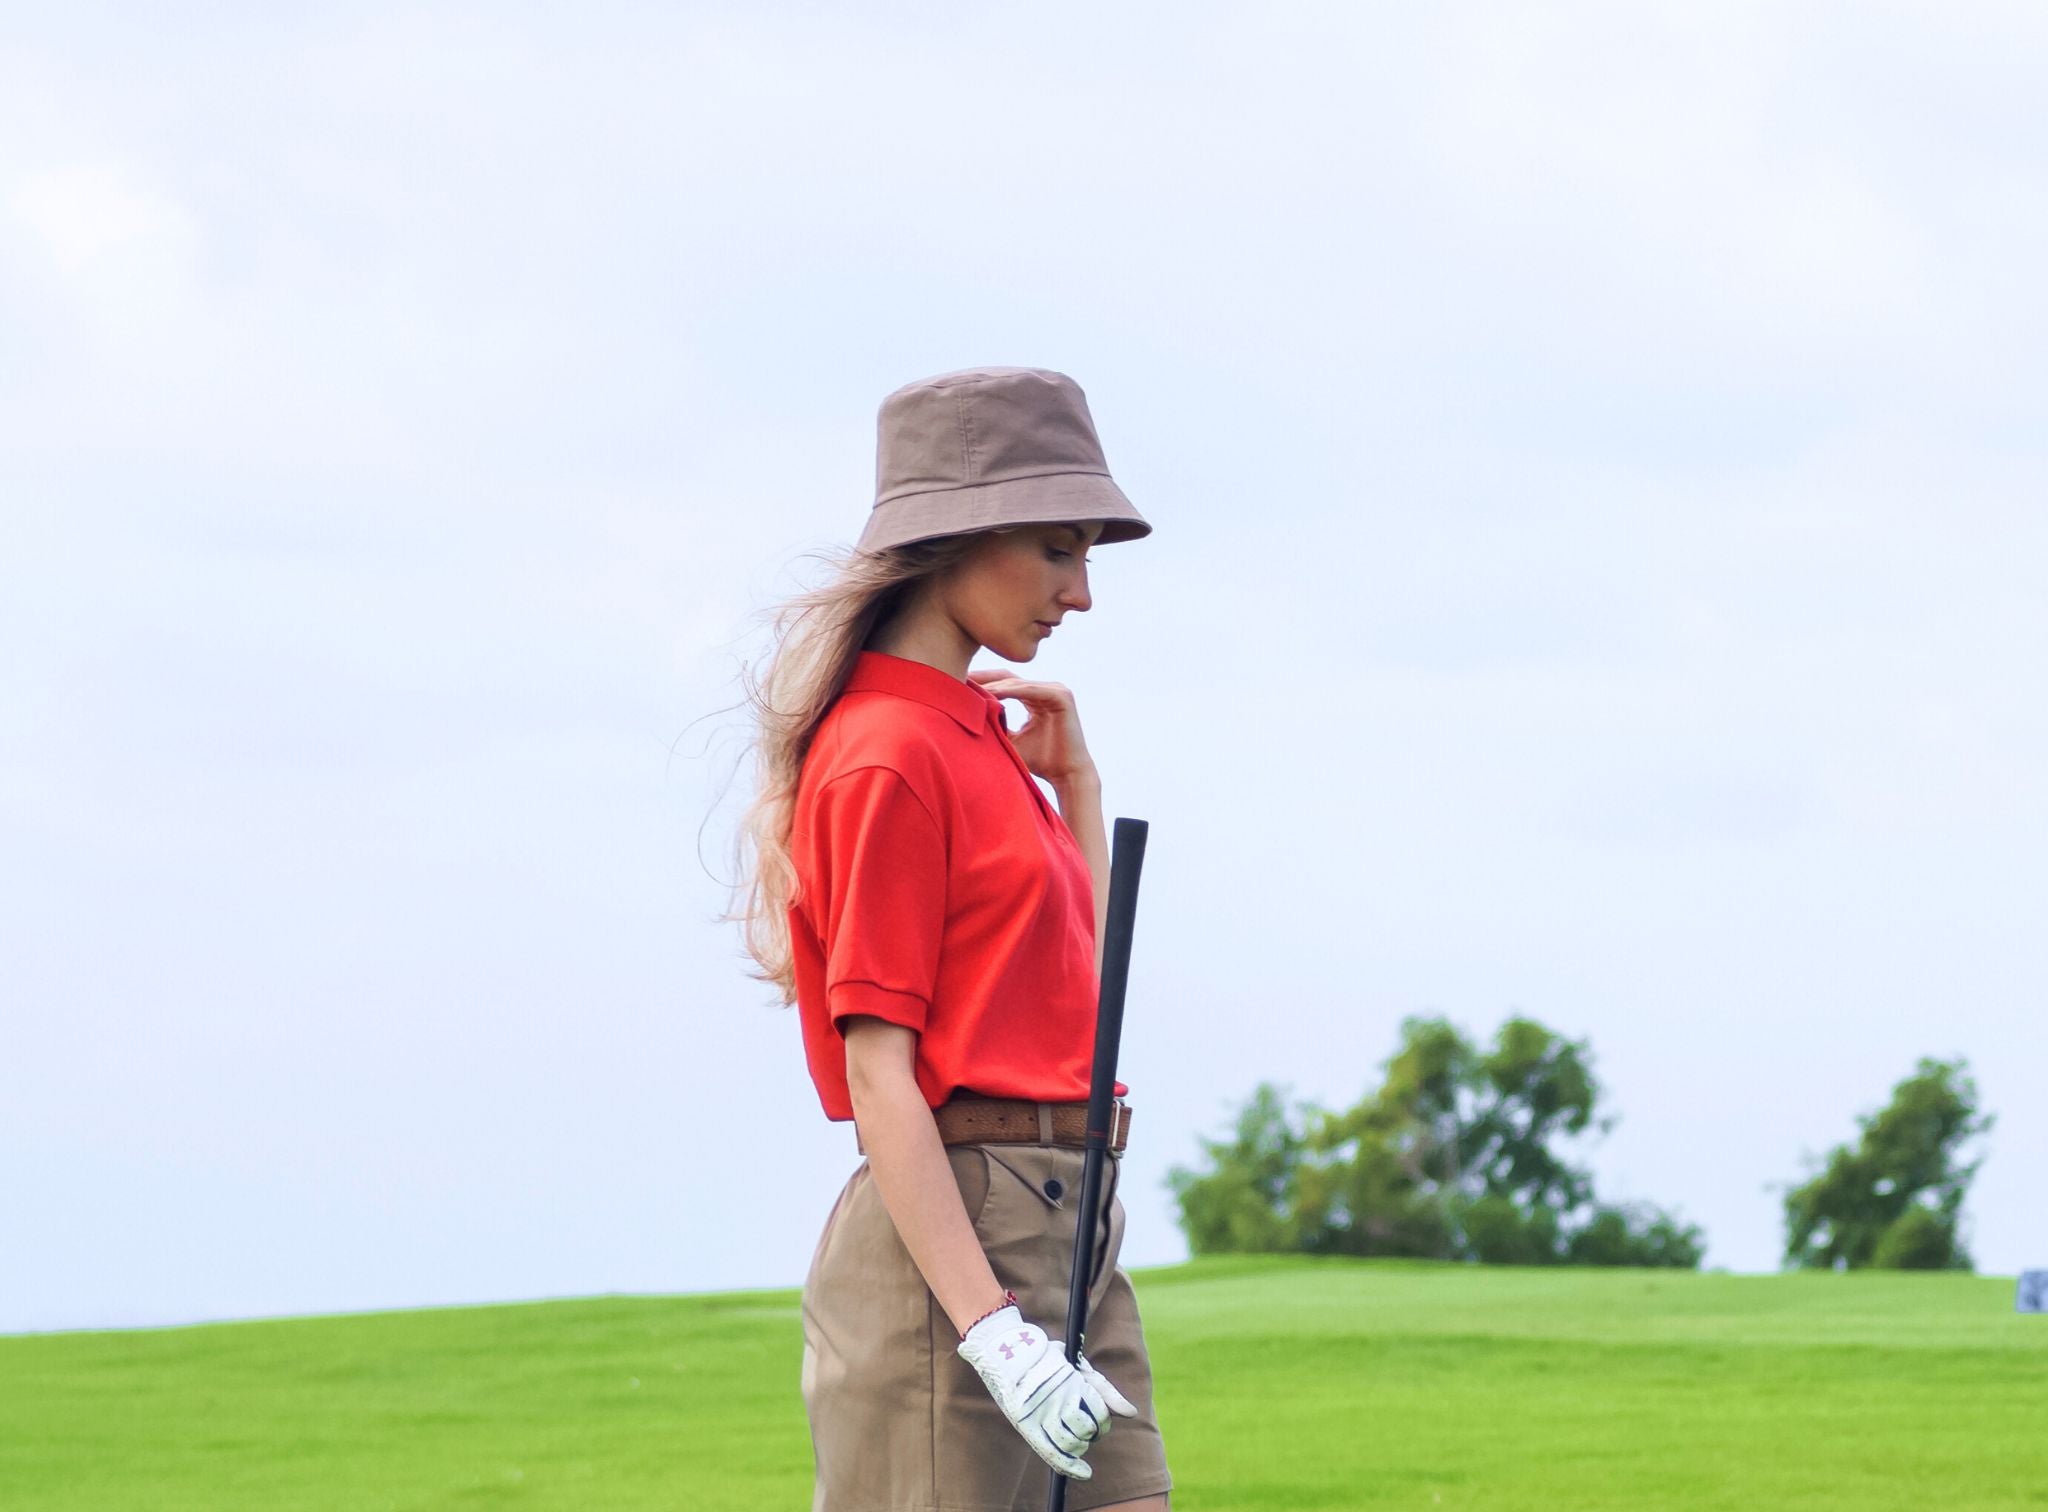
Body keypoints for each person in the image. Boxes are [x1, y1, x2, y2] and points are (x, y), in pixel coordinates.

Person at [727, 366, 1174, 1510]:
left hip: (1072, 1207)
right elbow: (882, 1076)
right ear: (958, 539)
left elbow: (1067, 981)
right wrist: (993, 1332)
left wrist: (1074, 784)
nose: (1078, 596)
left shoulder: (974, 733)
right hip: (961, 1235)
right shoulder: (886, 751)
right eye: (1057, 550)